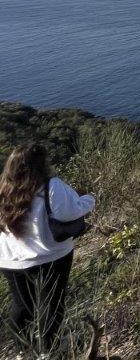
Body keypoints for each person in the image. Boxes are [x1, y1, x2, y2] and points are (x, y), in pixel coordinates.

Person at [0, 144, 94, 351]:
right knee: (52, 302)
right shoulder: (51, 185)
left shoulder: (4, 188)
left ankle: (23, 349)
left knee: (22, 305)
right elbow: (70, 212)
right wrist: (89, 199)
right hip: (49, 256)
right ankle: (49, 347)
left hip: (9, 259)